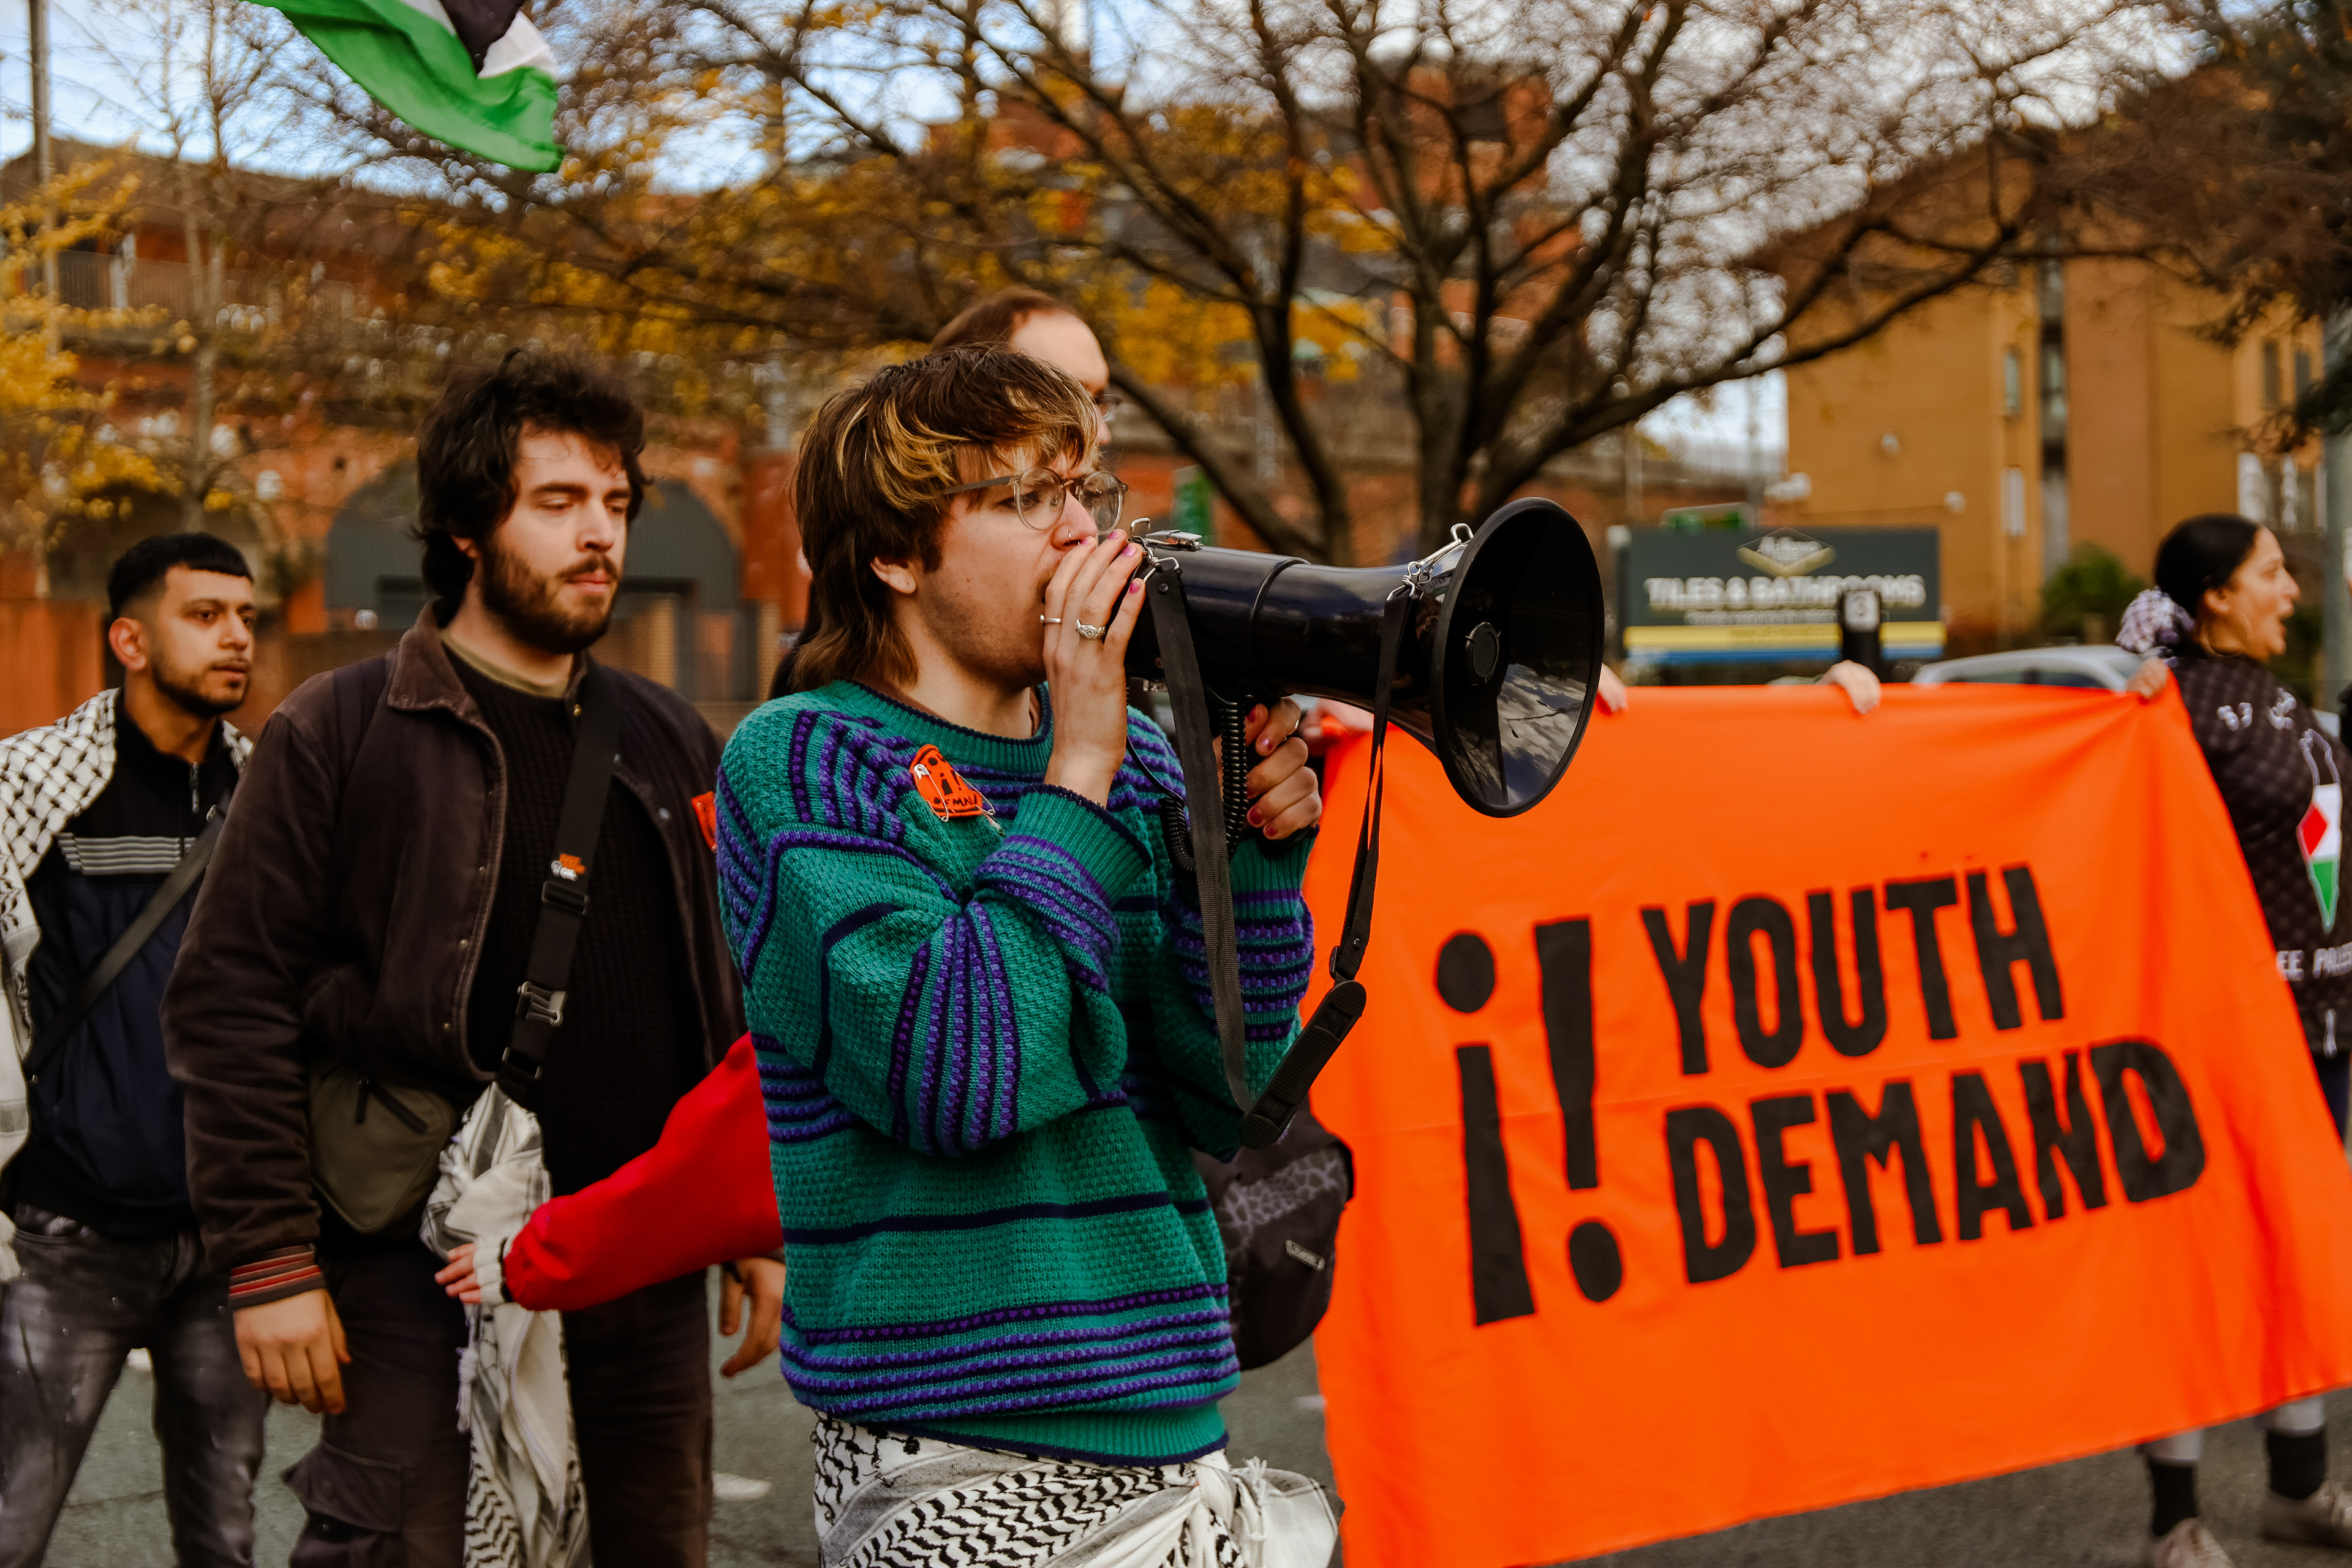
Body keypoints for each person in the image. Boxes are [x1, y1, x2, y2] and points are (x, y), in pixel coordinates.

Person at [160, 352, 777, 1568]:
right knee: (403, 1545)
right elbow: (231, 999)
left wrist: (749, 1210)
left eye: (613, 502)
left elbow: (735, 992)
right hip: (412, 1259)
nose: (599, 534)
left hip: (634, 1253)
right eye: (557, 503)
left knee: (655, 1543)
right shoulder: (340, 728)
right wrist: (273, 1258)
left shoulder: (669, 734)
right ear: (463, 527)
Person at [0, 534, 265, 1567]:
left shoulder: (270, 795)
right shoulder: (35, 787)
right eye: (206, 615)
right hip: (70, 1240)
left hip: (229, 1240)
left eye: (246, 616)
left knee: (227, 1538)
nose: (237, 636)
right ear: (131, 639)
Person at [2117, 513, 2352, 1568]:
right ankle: (2176, 1521)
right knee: (2194, 1274)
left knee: (2303, 1263)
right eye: (2271, 573)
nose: (2291, 590)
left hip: (2323, 1037)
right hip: (2216, 1042)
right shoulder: (2160, 710)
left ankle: (2299, 1493)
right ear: (2214, 593)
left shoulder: (2283, 697)